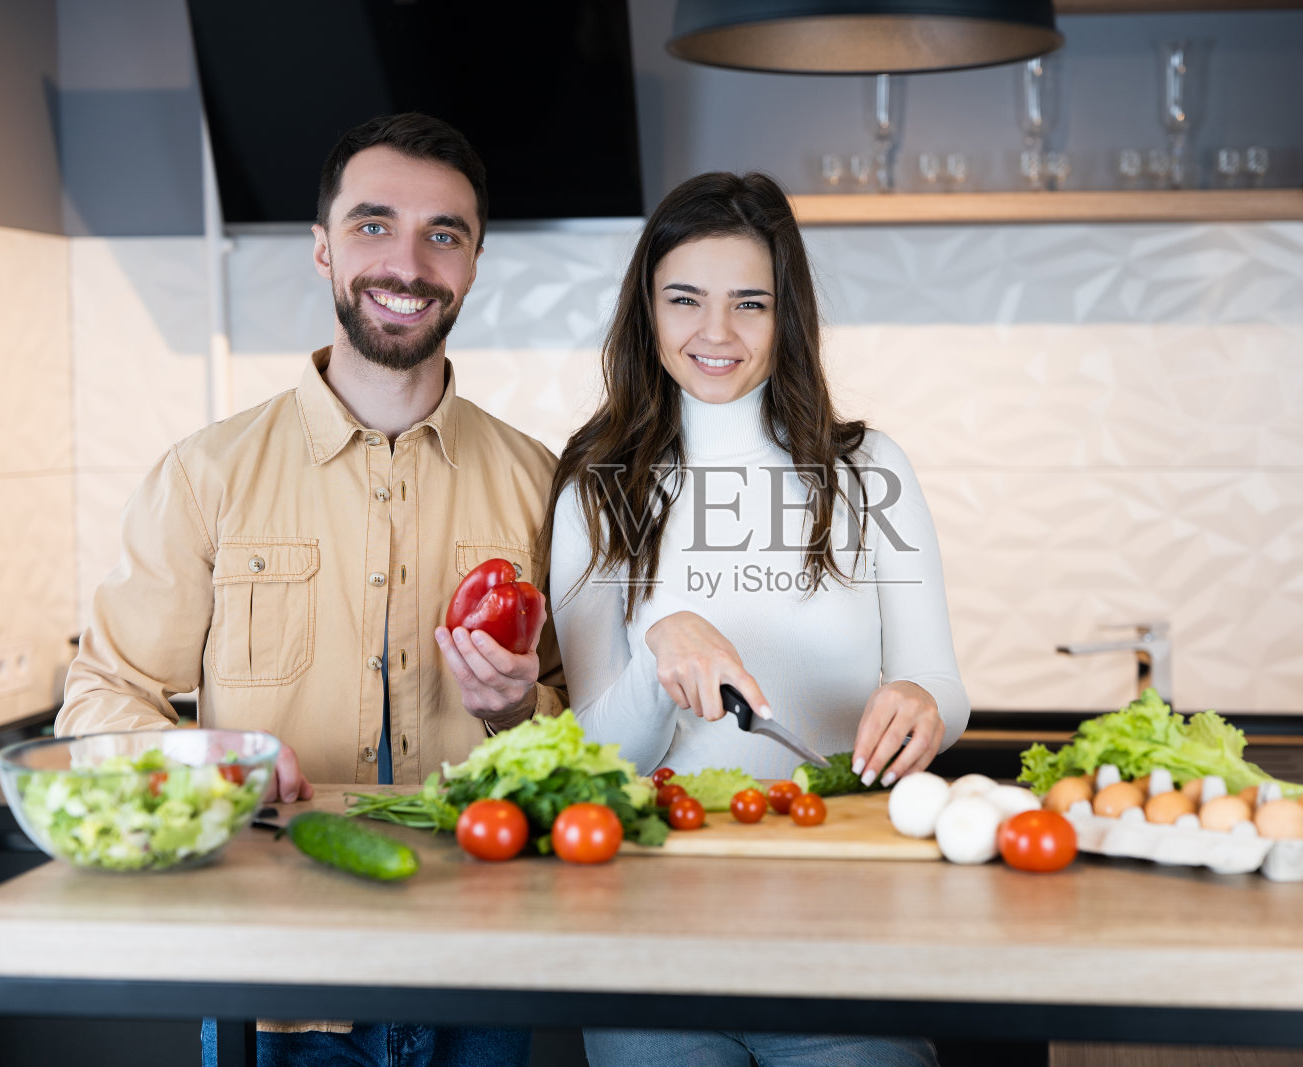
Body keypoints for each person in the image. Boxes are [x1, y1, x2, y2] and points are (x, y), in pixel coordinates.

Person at [57, 113, 563, 1067]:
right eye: (374, 225)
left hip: (487, 960)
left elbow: (594, 726)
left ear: (476, 261)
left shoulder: (543, 484)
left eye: (442, 234)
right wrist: (201, 754)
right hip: (270, 968)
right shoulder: (206, 475)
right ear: (323, 247)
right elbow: (100, 694)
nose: (406, 263)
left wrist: (515, 711)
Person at [548, 171, 969, 1066]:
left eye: (750, 303)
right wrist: (661, 653)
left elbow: (941, 687)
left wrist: (921, 704)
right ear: (646, 312)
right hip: (650, 946)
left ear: (788, 318)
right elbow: (590, 758)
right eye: (685, 299)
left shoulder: (869, 470)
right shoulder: (596, 484)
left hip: (843, 934)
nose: (716, 332)